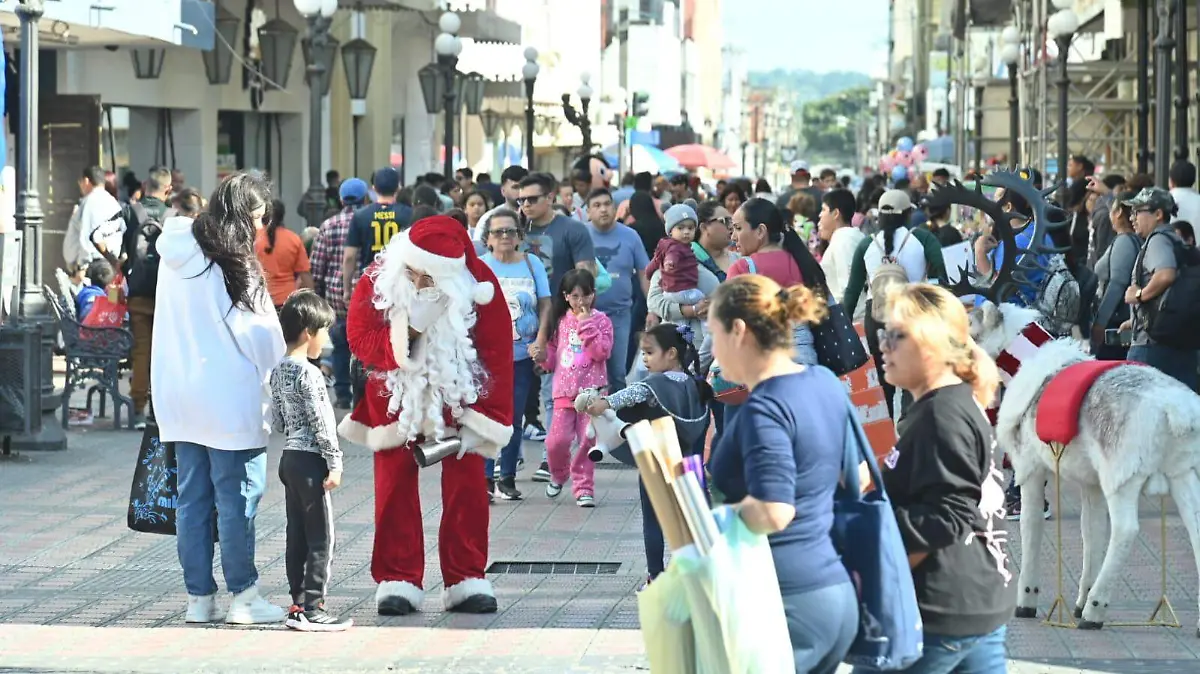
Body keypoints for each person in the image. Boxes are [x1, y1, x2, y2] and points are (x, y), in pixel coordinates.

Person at [338, 215, 513, 616]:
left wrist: (485, 417)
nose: (419, 283)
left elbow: (498, 350)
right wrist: (411, 327)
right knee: (394, 485)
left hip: (460, 396)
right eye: (414, 272)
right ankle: (398, 578)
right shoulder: (379, 276)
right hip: (396, 398)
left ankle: (466, 577)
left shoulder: (479, 284)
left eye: (429, 277)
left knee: (468, 487)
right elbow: (360, 338)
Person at [151, 170, 287, 625]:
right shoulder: (233, 261)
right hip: (229, 397)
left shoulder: (177, 250)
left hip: (179, 393)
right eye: (261, 218)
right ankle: (245, 596)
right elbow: (262, 339)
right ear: (248, 215)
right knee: (237, 498)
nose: (262, 228)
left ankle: (199, 600)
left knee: (192, 498)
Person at [705, 274, 858, 673]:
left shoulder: (765, 408)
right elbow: (855, 475)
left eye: (714, 336)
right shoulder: (823, 382)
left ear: (738, 331)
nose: (713, 354)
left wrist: (712, 523)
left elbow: (775, 510)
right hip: (831, 590)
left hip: (785, 600)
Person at [866, 283, 1014, 673]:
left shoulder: (942, 414)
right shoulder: (942, 406)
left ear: (931, 342)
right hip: (969, 606)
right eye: (883, 334)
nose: (883, 345)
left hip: (939, 612)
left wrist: (868, 529)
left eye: (896, 335)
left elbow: (947, 517)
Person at [584, 322, 711, 585]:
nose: (644, 358)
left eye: (650, 352)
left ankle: (655, 575)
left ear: (672, 353)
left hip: (657, 462)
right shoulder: (695, 384)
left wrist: (604, 403)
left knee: (653, 522)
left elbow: (630, 394)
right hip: (689, 463)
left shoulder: (655, 384)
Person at [267, 290, 349, 632]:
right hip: (312, 460)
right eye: (324, 332)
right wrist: (335, 461)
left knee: (296, 533)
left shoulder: (278, 369)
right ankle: (314, 607)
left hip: (289, 457)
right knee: (321, 537)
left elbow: (280, 417)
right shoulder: (310, 373)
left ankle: (297, 603)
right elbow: (322, 420)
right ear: (307, 333)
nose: (326, 339)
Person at [479, 207, 551, 500]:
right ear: (488, 239)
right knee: (486, 416)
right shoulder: (480, 267)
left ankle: (507, 476)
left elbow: (545, 304)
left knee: (514, 416)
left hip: (522, 355)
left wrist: (542, 340)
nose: (505, 236)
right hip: (486, 357)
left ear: (520, 236)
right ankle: (484, 477)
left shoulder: (532, 263)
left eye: (510, 231)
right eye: (498, 232)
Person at [537, 269, 613, 507]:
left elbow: (601, 352)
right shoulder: (559, 322)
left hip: (592, 395)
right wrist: (541, 356)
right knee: (555, 442)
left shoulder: (602, 321)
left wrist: (586, 325)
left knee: (586, 443)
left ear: (593, 295)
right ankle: (559, 474)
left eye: (586, 295)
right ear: (566, 296)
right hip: (563, 394)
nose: (581, 302)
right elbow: (551, 358)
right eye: (576, 296)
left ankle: (583, 488)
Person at [310, 177, 370, 409]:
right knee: (365, 345)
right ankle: (362, 394)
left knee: (341, 342)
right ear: (365, 197)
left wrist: (316, 292)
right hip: (366, 293)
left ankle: (343, 392)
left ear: (342, 199)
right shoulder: (368, 221)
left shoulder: (329, 225)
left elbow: (317, 265)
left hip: (337, 296)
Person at [587, 187, 650, 393]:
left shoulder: (631, 236)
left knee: (617, 374)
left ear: (615, 208)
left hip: (620, 315)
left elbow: (644, 273)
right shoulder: (581, 235)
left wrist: (653, 309)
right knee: (587, 373)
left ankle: (617, 421)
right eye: (597, 206)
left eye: (607, 204)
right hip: (586, 317)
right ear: (588, 212)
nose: (603, 210)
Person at [342, 167, 409, 306]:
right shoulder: (408, 214)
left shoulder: (360, 216)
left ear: (374, 188)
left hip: (370, 282)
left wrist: (347, 289)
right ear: (398, 187)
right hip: (401, 282)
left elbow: (349, 257)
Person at [1092, 187, 1141, 360]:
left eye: (1111, 209)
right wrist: (1106, 193)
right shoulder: (1133, 239)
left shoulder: (1124, 242)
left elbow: (1116, 285)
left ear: (1119, 212)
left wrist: (1100, 322)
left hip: (1115, 323)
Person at [817, 189, 867, 322]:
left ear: (836, 214)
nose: (820, 215)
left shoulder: (844, 240)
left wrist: (843, 325)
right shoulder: (847, 238)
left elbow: (848, 288)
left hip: (852, 324)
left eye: (823, 210)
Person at [256, 199, 314, 310]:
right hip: (287, 301)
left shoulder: (254, 239)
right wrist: (312, 300)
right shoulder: (293, 239)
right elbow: (305, 274)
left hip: (261, 300)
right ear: (283, 215)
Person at [75, 258, 114, 322]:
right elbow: (115, 310)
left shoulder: (84, 291)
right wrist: (113, 293)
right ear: (108, 285)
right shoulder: (103, 298)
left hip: (82, 325)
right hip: (97, 327)